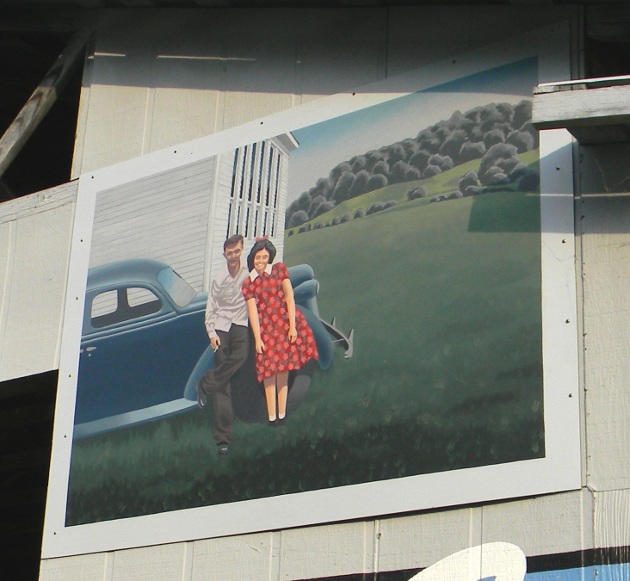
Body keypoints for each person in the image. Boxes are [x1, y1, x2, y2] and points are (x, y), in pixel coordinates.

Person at [241, 237, 318, 425]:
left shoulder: (279, 271)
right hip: (266, 330)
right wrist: (258, 338)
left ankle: (282, 413)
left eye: (264, 257)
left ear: (269, 258)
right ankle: (272, 414)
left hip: (282, 326)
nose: (260, 262)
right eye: (257, 258)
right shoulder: (249, 282)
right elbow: (252, 313)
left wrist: (292, 326)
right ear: (252, 258)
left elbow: (289, 297)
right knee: (268, 375)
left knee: (283, 373)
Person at [198, 234, 249, 455]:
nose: (233, 256)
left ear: (242, 250)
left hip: (241, 324)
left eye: (237, 251)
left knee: (241, 357)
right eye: (230, 253)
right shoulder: (218, 279)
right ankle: (223, 438)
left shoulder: (248, 275)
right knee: (223, 384)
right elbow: (211, 308)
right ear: (224, 254)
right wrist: (211, 332)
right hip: (221, 327)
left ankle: (205, 383)